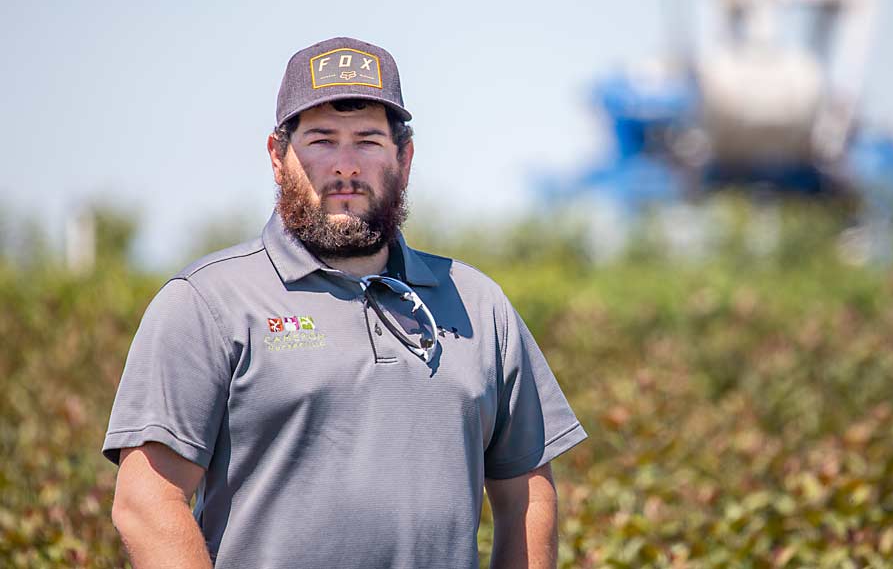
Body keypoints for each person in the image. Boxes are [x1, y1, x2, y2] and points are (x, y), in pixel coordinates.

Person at [102, 36, 587, 569]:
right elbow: (147, 503)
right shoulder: (207, 301)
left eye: (368, 141)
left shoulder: (479, 305)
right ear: (277, 156)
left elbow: (527, 495)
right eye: (321, 140)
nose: (345, 167)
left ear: (404, 158)